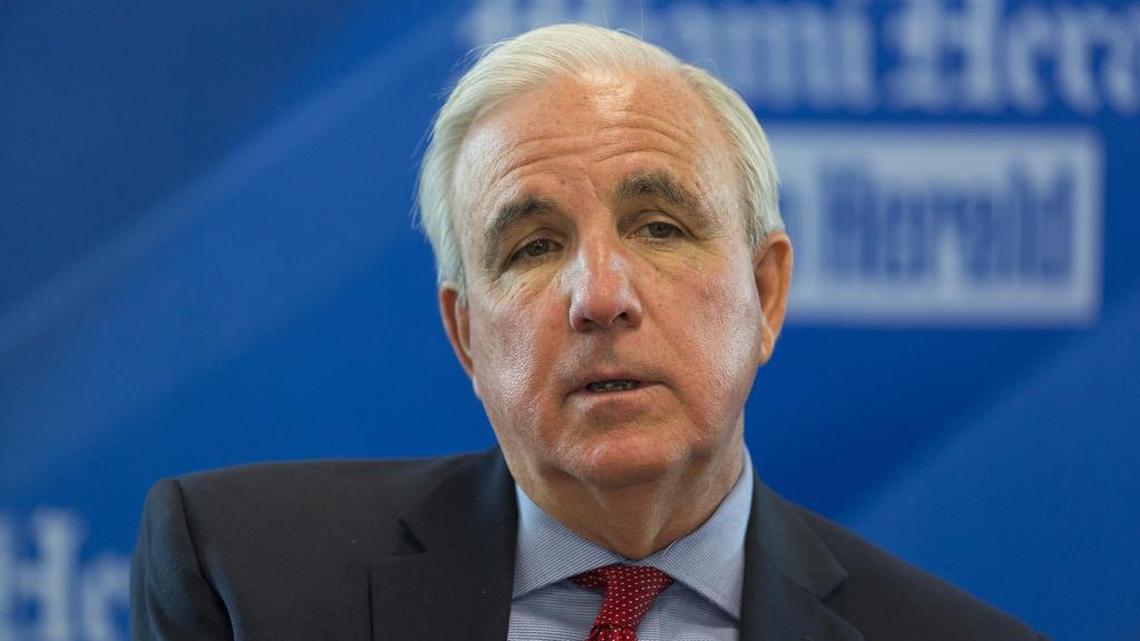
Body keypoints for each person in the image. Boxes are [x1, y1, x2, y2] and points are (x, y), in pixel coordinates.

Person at [131, 24, 1045, 641]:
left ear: (766, 295)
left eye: (660, 227)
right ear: (466, 337)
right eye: (533, 245)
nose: (600, 295)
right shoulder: (248, 582)